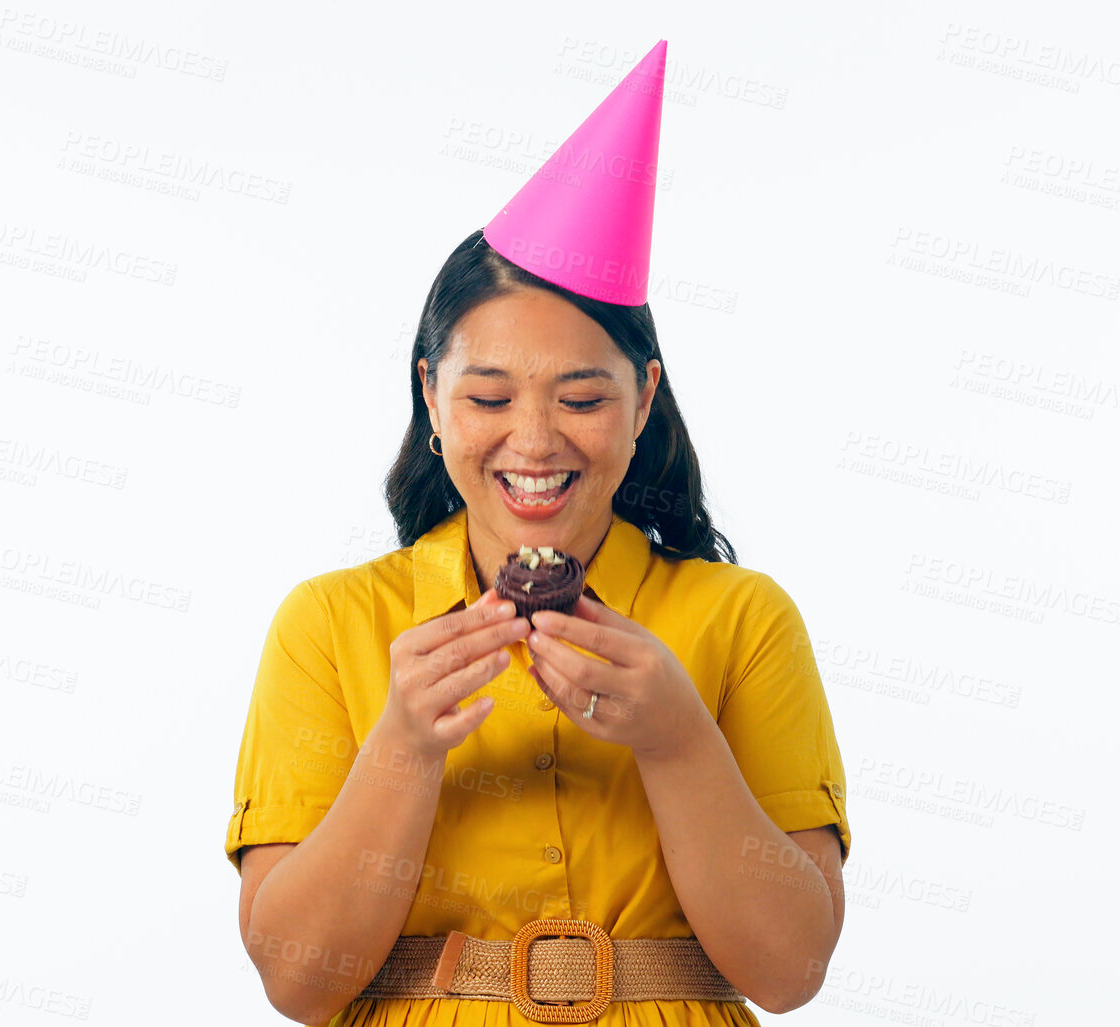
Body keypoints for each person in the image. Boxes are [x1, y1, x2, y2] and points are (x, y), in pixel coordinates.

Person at [227, 40, 850, 1026]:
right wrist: (404, 742)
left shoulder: (744, 620)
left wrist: (679, 739)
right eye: (487, 395)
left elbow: (788, 973)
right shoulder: (331, 623)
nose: (533, 440)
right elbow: (299, 983)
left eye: (581, 396)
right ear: (431, 397)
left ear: (643, 399)